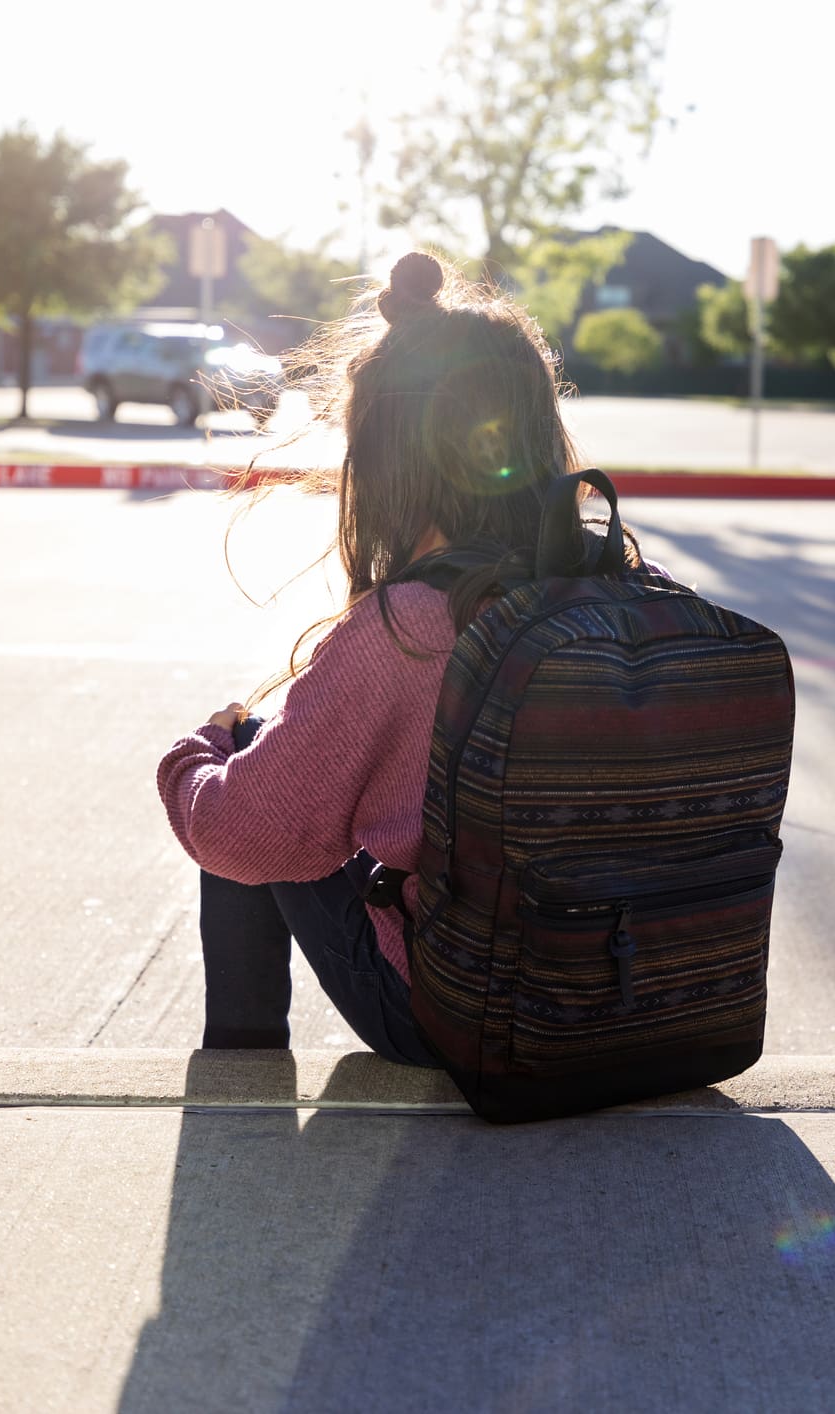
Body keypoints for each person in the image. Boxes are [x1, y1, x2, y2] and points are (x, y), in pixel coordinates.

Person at [155, 251, 645, 1064]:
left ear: (385, 452)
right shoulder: (628, 589)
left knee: (248, 777)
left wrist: (195, 757)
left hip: (471, 1017)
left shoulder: (410, 625)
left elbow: (239, 835)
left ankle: (238, 1077)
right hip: (649, 999)